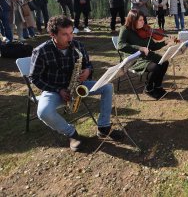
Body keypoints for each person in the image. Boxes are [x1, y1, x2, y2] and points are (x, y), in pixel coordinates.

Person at [29, 16, 123, 152]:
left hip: (78, 86)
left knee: (107, 87)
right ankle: (71, 134)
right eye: (65, 34)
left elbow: (88, 64)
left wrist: (88, 71)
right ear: (52, 35)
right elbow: (34, 77)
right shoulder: (41, 51)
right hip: (54, 90)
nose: (70, 38)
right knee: (43, 112)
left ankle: (103, 127)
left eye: (71, 33)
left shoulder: (78, 46)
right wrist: (58, 89)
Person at [117, 10, 171, 99]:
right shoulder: (125, 29)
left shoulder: (144, 30)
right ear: (133, 20)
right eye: (140, 20)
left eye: (143, 20)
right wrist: (140, 48)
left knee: (164, 62)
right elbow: (120, 45)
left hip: (147, 55)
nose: (143, 22)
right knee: (156, 67)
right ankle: (148, 88)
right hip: (135, 58)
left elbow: (153, 46)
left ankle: (157, 86)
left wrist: (165, 43)